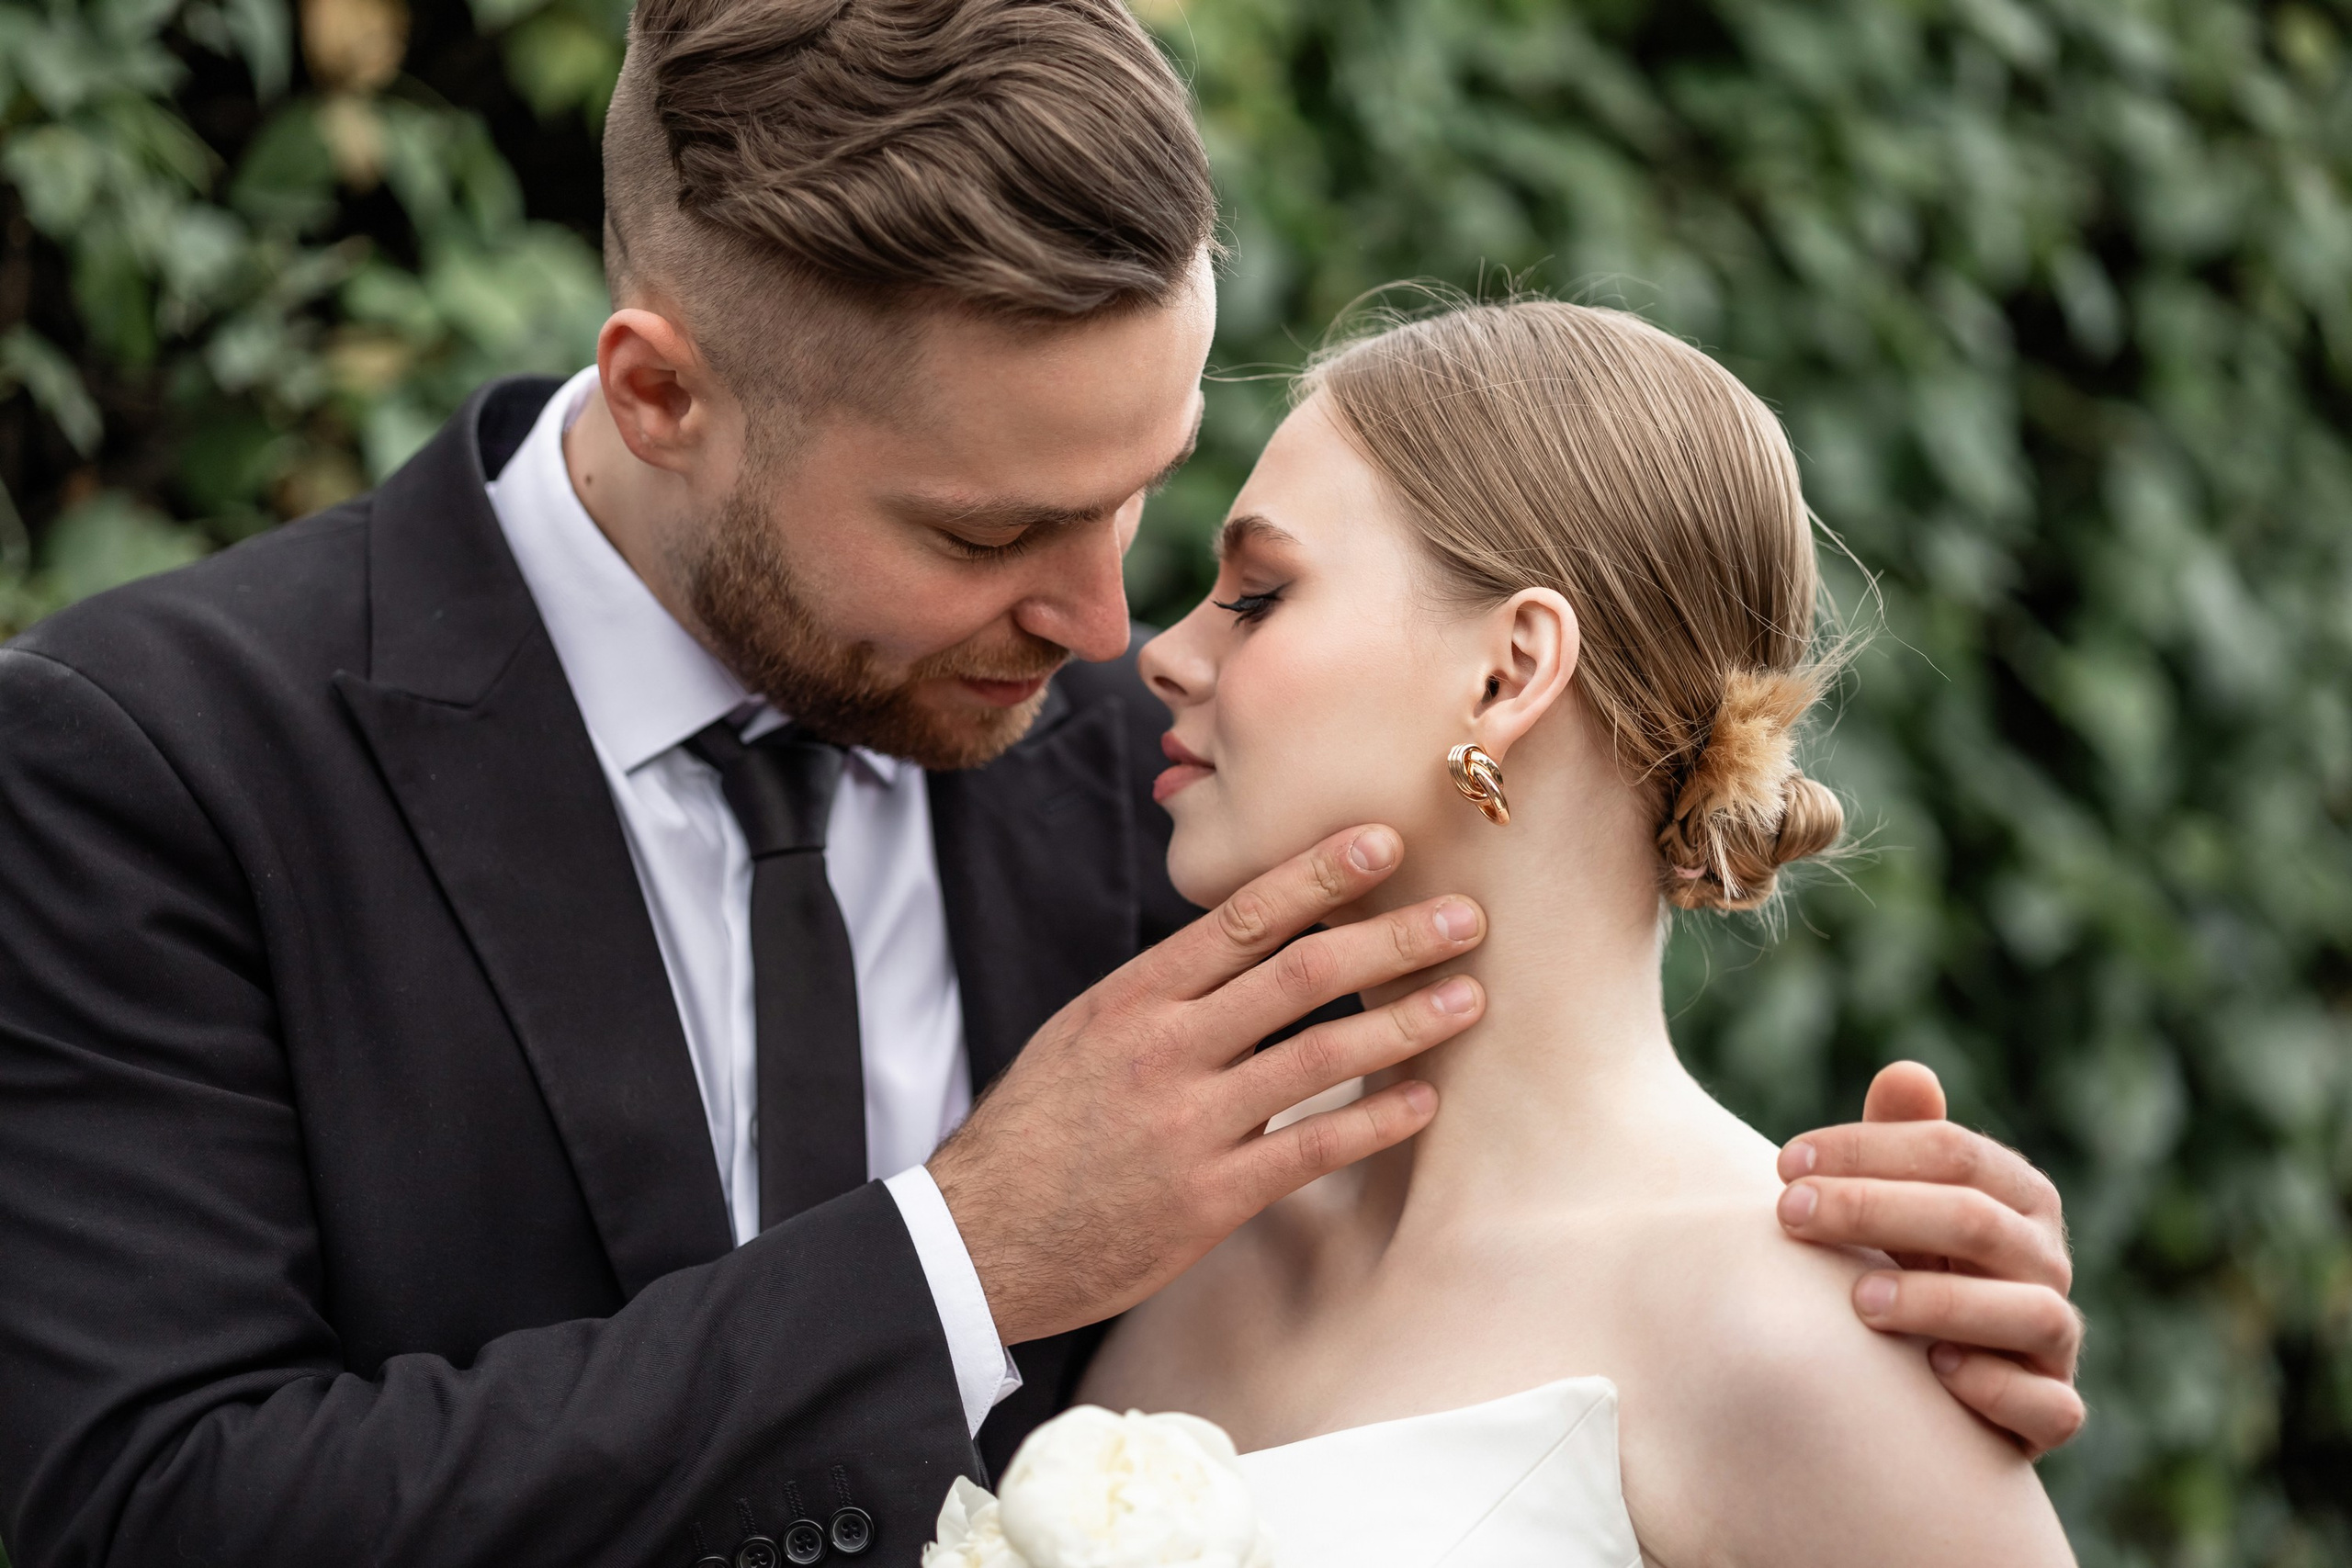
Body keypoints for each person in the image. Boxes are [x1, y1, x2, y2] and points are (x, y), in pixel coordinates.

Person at [0, 4, 2076, 1565]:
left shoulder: (1165, 804)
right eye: (988, 533)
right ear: (660, 391)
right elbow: (134, 1506)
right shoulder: (151, 762)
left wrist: (1904, 1284)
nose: (1107, 627)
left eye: (1152, 500)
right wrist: (958, 1257)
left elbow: (1578, 1187)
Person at [1081, 299, 2080, 1565]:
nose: (1163, 654)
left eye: (1261, 594)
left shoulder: (1786, 1333)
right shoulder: (1177, 1206)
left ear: (1509, 673)